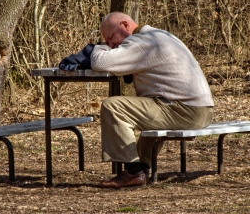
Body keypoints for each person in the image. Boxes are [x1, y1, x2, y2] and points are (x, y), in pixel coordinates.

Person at [90, 12, 214, 189]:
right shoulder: (159, 35)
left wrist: (99, 47)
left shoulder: (143, 42)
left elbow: (101, 63)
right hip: (200, 109)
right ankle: (142, 168)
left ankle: (133, 173)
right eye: (108, 41)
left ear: (125, 25)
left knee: (113, 106)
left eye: (111, 37)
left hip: (186, 111)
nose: (111, 44)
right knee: (149, 104)